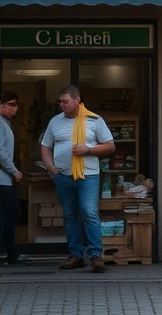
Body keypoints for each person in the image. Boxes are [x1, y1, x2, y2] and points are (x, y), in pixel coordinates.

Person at [40, 86, 115, 273]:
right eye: (60, 101)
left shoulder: (94, 120)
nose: (61, 105)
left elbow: (110, 146)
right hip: (62, 176)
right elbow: (45, 146)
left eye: (65, 101)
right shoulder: (55, 122)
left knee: (89, 213)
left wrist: (88, 150)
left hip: (87, 175)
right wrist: (51, 167)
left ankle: (96, 255)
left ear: (77, 100)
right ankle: (75, 255)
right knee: (70, 215)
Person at [0, 91, 26, 266]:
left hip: (5, 179)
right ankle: (11, 254)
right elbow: (0, 152)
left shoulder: (6, 123)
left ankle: (12, 254)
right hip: (2, 179)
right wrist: (14, 171)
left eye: (15, 104)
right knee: (8, 215)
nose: (15, 108)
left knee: (11, 214)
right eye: (11, 104)